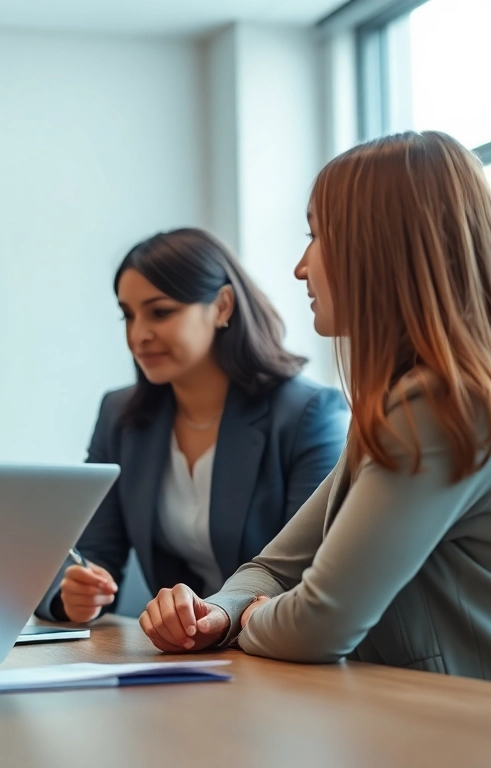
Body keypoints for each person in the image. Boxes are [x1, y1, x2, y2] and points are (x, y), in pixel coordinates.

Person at [138, 131, 491, 692]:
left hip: (487, 738)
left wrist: (255, 617)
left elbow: (319, 623)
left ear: (379, 248)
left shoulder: (444, 408)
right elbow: (273, 570)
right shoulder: (404, 410)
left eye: (317, 236)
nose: (300, 268)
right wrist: (220, 615)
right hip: (417, 720)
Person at [35, 228, 347, 624]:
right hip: (177, 650)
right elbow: (90, 554)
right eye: (128, 316)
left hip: (276, 646)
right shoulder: (121, 417)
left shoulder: (308, 413)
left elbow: (307, 572)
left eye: (160, 312)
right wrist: (76, 594)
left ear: (222, 305)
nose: (138, 335)